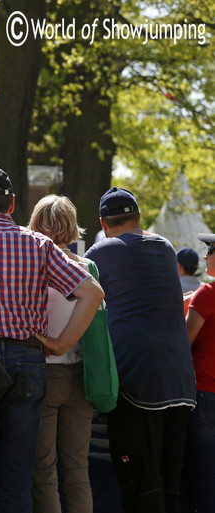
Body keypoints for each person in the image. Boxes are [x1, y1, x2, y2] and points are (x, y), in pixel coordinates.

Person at [0, 167, 104, 513]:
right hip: (28, 360)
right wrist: (59, 344)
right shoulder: (39, 244)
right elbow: (92, 294)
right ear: (12, 203)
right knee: (18, 472)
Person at [84, 186, 196, 513]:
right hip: (179, 380)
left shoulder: (101, 252)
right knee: (170, 484)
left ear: (104, 223)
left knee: (139, 484)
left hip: (137, 381)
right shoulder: (165, 247)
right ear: (139, 217)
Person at [28, 195, 95, 513]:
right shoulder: (87, 267)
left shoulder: (34, 265)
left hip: (46, 371)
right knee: (78, 471)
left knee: (44, 470)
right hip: (83, 375)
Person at [183, 233, 215, 513]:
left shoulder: (207, 294)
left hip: (205, 396)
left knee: (203, 482)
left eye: (211, 251)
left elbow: (183, 341)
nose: (205, 256)